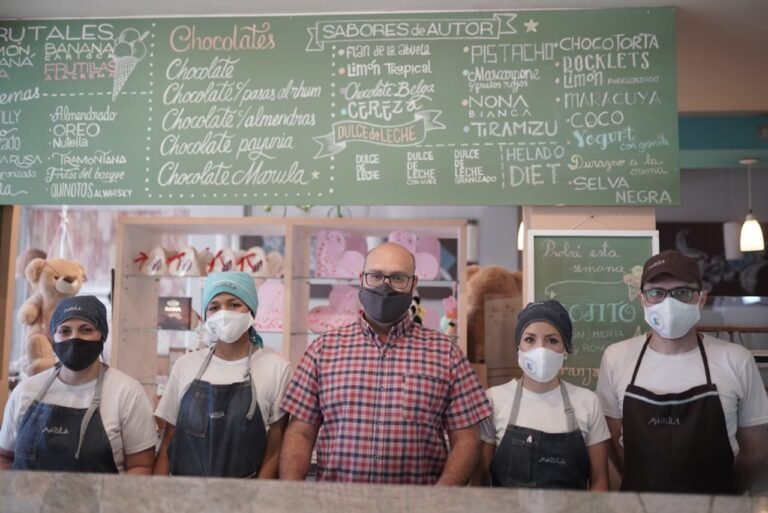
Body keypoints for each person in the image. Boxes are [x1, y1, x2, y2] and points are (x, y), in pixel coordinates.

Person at [279, 242, 492, 485]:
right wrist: (292, 496)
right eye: (376, 276)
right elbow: (300, 433)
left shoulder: (447, 354)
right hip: (335, 504)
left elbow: (466, 439)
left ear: (414, 284)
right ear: (361, 279)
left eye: (398, 278)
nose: (385, 286)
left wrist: (439, 500)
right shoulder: (322, 351)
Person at [597, 250, 768, 494]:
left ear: (701, 298)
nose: (669, 303)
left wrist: (725, 497)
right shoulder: (616, 358)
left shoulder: (737, 360)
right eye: (657, 293)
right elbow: (613, 443)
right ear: (642, 299)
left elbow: (757, 452)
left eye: (682, 293)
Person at [153, 271, 291, 478]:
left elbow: (275, 447)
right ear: (206, 314)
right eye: (214, 307)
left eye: (234, 305)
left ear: (251, 310)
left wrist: (261, 500)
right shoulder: (185, 365)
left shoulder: (277, 369)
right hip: (182, 498)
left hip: (246, 499)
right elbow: (168, 439)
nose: (223, 313)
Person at [0, 296, 157, 473]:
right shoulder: (25, 391)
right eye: (65, 331)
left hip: (101, 501)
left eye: (86, 330)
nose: (74, 339)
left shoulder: (127, 392)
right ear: (53, 338)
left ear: (102, 336)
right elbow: (5, 457)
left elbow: (140, 465)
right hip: (27, 501)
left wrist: (118, 501)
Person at [476, 300, 610, 491]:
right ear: (518, 347)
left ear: (566, 350)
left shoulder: (588, 402)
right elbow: (480, 483)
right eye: (530, 339)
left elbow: (600, 482)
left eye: (552, 340)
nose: (541, 349)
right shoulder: (494, 400)